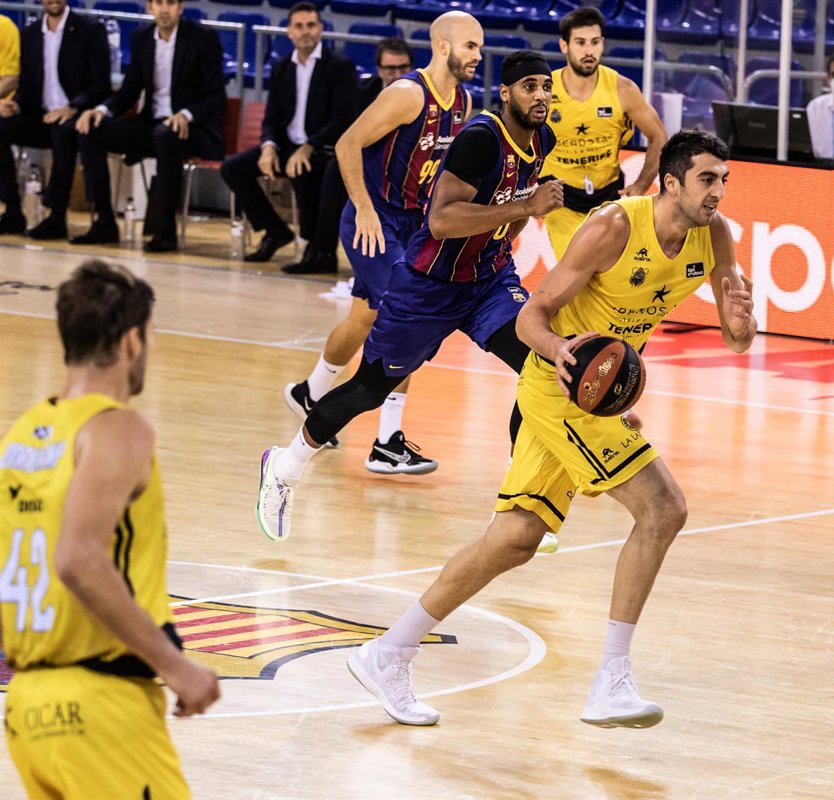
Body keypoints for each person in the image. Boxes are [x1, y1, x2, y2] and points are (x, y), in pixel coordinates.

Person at [342, 130, 756, 728]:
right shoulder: (614, 227)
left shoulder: (714, 235)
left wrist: (742, 324)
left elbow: (737, 339)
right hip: (559, 385)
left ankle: (388, 651)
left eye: (724, 180)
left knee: (515, 538)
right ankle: (611, 680)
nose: (718, 192)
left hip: (590, 395)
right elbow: (531, 316)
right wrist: (564, 354)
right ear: (670, 182)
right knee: (663, 508)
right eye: (707, 179)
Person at [257, 50, 564, 542]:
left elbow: (517, 206)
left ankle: (519, 501)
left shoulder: (543, 139)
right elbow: (441, 221)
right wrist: (524, 207)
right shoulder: (480, 140)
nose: (541, 96)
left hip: (488, 281)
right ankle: (285, 466)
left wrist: (515, 228)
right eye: (530, 87)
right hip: (428, 286)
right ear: (506, 93)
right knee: (369, 389)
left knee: (538, 367)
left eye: (546, 87)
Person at [1, 260, 221, 798]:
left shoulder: (23, 435)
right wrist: (175, 666)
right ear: (131, 341)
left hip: (26, 710)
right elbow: (77, 559)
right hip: (100, 706)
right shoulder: (117, 427)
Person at [281, 14, 477, 474]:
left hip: (413, 223)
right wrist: (365, 210)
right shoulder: (408, 94)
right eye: (471, 46)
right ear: (443, 46)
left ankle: (310, 392)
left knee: (364, 317)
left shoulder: (463, 101)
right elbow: (347, 144)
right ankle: (387, 443)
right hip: (374, 219)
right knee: (408, 315)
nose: (478, 55)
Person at [74, 0, 225, 252]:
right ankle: (104, 221)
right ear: (149, 8)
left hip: (193, 129)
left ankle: (166, 229)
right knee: (92, 130)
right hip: (152, 125)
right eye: (158, 3)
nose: (164, 9)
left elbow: (215, 96)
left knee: (166, 135)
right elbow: (129, 92)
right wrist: (100, 110)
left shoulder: (202, 38)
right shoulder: (141, 38)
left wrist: (186, 114)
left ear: (180, 8)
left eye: (170, 3)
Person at [221, 2, 357, 268]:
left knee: (303, 169)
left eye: (311, 25)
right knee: (233, 168)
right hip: (286, 146)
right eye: (299, 26)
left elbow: (343, 119)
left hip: (322, 149)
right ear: (289, 32)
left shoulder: (340, 67)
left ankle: (317, 250)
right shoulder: (282, 67)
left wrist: (308, 146)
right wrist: (268, 146)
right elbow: (271, 118)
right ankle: (275, 231)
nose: (305, 31)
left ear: (320, 29)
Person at [541, 6, 668, 260]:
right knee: (575, 272)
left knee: (610, 275)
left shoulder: (622, 89)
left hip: (608, 198)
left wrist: (641, 185)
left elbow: (659, 137)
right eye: (580, 43)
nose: (589, 51)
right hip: (562, 201)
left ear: (603, 44)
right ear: (564, 46)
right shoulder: (545, 90)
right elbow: (518, 139)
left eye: (595, 42)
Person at [289, 36, 415, 276]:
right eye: (390, 69)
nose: (398, 74)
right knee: (321, 169)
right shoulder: (365, 91)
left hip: (407, 163)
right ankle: (320, 250)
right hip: (371, 159)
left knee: (335, 170)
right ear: (379, 69)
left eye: (403, 68)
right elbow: (350, 134)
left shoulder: (420, 94)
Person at [0, 0, 109, 239]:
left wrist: (72, 107)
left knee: (63, 130)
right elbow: (27, 85)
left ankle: (57, 216)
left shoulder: (90, 29)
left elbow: (101, 85)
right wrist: (16, 104)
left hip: (76, 114)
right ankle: (12, 210)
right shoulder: (30, 34)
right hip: (41, 116)